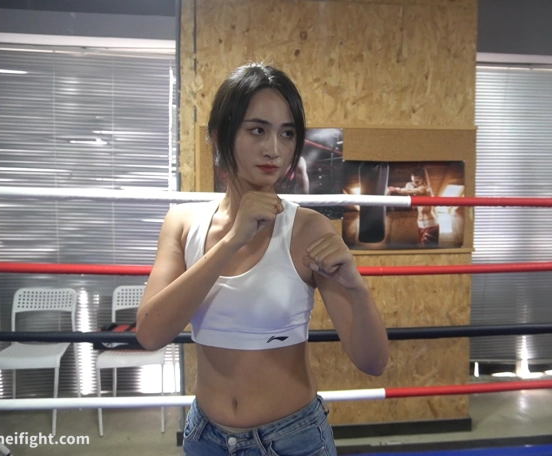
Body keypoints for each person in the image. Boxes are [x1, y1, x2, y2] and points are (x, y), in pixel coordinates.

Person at [135, 63, 389, 456]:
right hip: (205, 438)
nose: (274, 149)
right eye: (257, 130)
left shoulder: (308, 229)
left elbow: (373, 363)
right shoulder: (183, 223)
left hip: (292, 440)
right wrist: (231, 241)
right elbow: (150, 334)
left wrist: (356, 288)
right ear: (220, 135)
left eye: (287, 133)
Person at [387, 167, 440, 247]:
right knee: (422, 248)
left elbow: (412, 190)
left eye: (417, 181)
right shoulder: (415, 188)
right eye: (413, 181)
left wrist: (394, 189)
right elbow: (410, 195)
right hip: (420, 224)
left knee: (428, 250)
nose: (414, 183)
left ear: (423, 179)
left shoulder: (426, 189)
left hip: (430, 224)